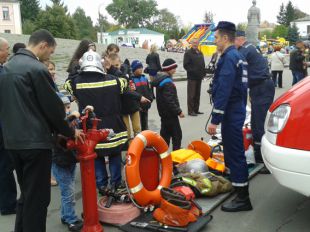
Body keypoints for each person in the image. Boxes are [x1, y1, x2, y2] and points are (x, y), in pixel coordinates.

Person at [0, 29, 85, 232]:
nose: (50, 56)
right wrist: (70, 131)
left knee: (27, 195)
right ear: (43, 45)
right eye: (51, 52)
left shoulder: (7, 67)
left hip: (12, 142)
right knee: (38, 200)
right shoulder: (37, 69)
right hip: (35, 143)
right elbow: (54, 109)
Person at [70, 50, 128, 195]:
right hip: (113, 124)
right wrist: (112, 68)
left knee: (97, 155)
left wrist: (78, 70)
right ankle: (116, 183)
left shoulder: (76, 82)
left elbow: (67, 84)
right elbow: (126, 82)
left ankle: (102, 185)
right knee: (115, 154)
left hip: (92, 126)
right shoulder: (113, 80)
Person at [208, 21, 252, 212]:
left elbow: (225, 89)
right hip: (236, 109)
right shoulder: (238, 56)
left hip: (231, 112)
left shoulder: (228, 57)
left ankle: (243, 199)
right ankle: (238, 186)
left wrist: (215, 120)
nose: (215, 41)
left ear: (225, 38)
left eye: (216, 37)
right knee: (234, 153)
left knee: (234, 154)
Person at [235, 30, 275, 174]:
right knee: (256, 121)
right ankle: (260, 156)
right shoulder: (250, 48)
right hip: (259, 87)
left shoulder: (245, 50)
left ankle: (266, 161)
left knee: (259, 124)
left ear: (239, 40)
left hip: (262, 87)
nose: (234, 46)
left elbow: (236, 67)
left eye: (234, 42)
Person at [52, 93, 83, 232]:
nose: (67, 110)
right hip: (60, 162)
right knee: (68, 192)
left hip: (70, 160)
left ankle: (65, 215)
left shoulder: (70, 122)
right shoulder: (55, 123)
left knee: (68, 190)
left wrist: (85, 111)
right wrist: (72, 117)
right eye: (63, 108)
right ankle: (71, 219)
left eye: (68, 107)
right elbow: (60, 138)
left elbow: (79, 124)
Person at [106, 53, 150, 141]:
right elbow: (124, 91)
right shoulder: (109, 76)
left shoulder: (125, 71)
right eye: (113, 66)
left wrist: (133, 87)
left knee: (137, 129)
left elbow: (130, 86)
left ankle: (139, 147)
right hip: (122, 108)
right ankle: (131, 150)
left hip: (133, 104)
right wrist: (139, 96)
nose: (116, 67)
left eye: (117, 65)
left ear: (120, 63)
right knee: (127, 132)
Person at [0, 37, 17, 216]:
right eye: (6, 49)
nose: (9, 53)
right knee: (5, 166)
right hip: (3, 127)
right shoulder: (3, 74)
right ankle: (7, 204)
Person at [153, 59, 184, 150]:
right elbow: (170, 100)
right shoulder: (167, 82)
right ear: (169, 69)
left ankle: (163, 157)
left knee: (165, 136)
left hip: (164, 114)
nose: (175, 70)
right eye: (173, 68)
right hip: (170, 114)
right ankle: (175, 157)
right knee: (177, 136)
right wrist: (179, 111)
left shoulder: (161, 79)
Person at [183, 38, 206, 116]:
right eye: (194, 43)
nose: (195, 44)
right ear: (191, 43)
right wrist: (193, 71)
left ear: (198, 43)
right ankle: (190, 111)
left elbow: (202, 64)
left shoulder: (200, 52)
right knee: (191, 95)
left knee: (197, 94)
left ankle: (196, 110)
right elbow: (185, 65)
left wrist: (203, 73)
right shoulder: (188, 53)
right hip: (192, 77)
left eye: (197, 42)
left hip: (199, 77)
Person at [131, 60, 153, 130]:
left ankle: (146, 136)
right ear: (134, 69)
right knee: (138, 125)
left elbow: (149, 90)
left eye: (141, 67)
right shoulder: (132, 80)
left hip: (145, 105)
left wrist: (150, 98)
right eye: (138, 68)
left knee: (145, 123)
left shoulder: (145, 78)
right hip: (138, 107)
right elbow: (133, 94)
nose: (141, 69)